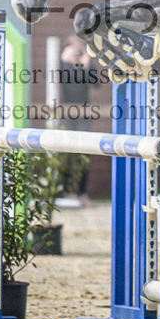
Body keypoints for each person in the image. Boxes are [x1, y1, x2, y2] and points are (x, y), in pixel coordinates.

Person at [57, 36, 95, 206]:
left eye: (80, 48)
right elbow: (56, 79)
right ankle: (65, 192)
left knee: (83, 155)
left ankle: (81, 192)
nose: (77, 52)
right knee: (65, 153)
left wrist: (87, 65)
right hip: (66, 113)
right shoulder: (61, 65)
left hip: (83, 114)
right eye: (74, 48)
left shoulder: (84, 65)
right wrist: (64, 61)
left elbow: (96, 83)